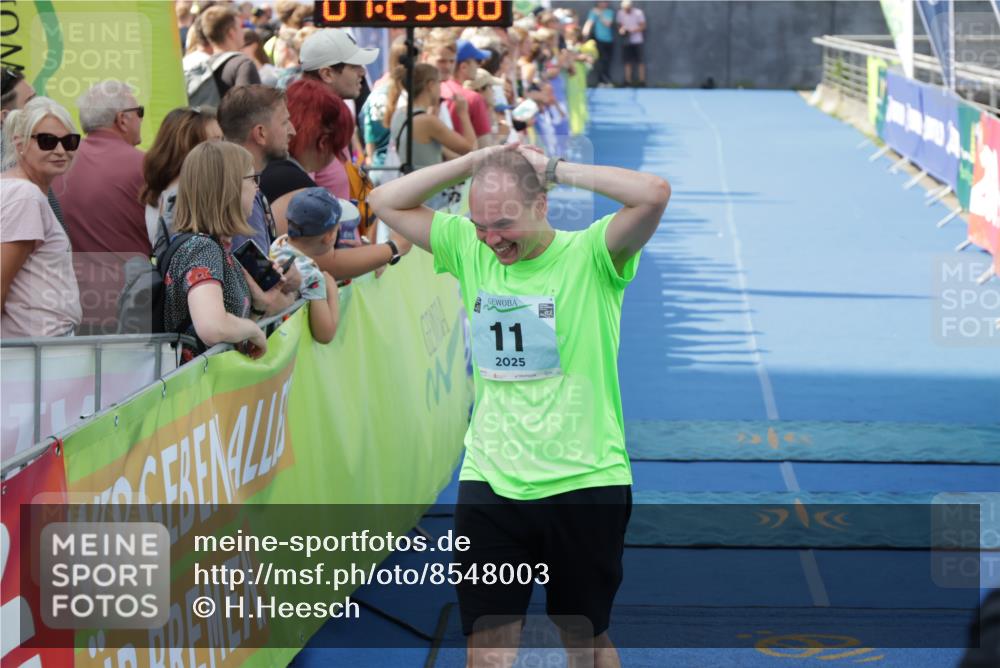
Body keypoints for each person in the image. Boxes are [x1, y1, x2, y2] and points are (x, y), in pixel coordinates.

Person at [369, 143, 670, 667]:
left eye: (504, 223)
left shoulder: (594, 254)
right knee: (486, 648)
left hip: (584, 481)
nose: (493, 240)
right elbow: (384, 201)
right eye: (481, 225)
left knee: (584, 640)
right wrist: (474, 162)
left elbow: (653, 194)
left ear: (542, 205)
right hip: (492, 480)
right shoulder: (469, 247)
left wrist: (552, 168)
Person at [260, 78, 409, 280]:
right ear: (323, 143)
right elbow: (321, 262)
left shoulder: (275, 171)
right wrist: (394, 247)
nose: (339, 159)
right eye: (338, 149)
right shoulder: (293, 186)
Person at [163, 141, 282, 360]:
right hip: (199, 390)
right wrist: (253, 330)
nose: (257, 188)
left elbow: (226, 332)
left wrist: (257, 308)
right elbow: (212, 327)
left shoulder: (214, 247)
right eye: (251, 179)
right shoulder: (202, 249)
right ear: (228, 188)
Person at [52, 80, 149, 334]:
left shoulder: (56, 164)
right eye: (140, 112)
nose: (141, 119)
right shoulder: (146, 166)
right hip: (129, 308)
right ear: (122, 119)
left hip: (65, 304)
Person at [1, 97, 81, 337]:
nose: (60, 150)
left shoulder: (15, 188)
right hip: (37, 352)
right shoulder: (25, 195)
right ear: (20, 144)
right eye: (47, 141)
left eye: (69, 142)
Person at [298, 28, 378, 200]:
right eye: (354, 65)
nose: (362, 72)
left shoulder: (329, 117)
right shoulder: (309, 125)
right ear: (327, 74)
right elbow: (301, 206)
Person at [140, 106, 223, 246]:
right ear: (187, 147)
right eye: (214, 142)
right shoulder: (186, 197)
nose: (223, 149)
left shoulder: (160, 193)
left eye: (222, 140)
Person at [270, 187, 342, 343]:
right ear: (329, 236)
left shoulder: (278, 244)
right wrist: (332, 290)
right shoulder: (312, 277)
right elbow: (325, 334)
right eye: (338, 227)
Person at [198, 5, 262, 97]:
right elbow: (252, 108)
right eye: (240, 27)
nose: (243, 31)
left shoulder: (202, 67)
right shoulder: (243, 64)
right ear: (231, 33)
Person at [442, 39, 494, 147]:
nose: (479, 66)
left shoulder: (434, 90)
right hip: (465, 162)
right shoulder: (473, 98)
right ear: (463, 67)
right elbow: (485, 148)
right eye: (478, 61)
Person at [584, 1, 615, 87]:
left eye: (605, 2)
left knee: (607, 61)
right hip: (599, 40)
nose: (603, 3)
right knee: (600, 60)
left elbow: (608, 24)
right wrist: (584, 33)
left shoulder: (609, 12)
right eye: (601, 1)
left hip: (609, 40)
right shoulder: (593, 11)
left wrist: (600, 14)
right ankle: (601, 81)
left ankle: (607, 80)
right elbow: (589, 22)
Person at [616, 0, 646, 87]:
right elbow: (619, 25)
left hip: (637, 40)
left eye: (627, 8)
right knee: (627, 61)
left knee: (640, 61)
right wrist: (621, 30)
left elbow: (643, 26)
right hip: (626, 41)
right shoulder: (620, 13)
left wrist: (633, 30)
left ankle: (642, 81)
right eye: (624, 8)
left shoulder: (638, 13)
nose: (626, 10)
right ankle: (627, 81)